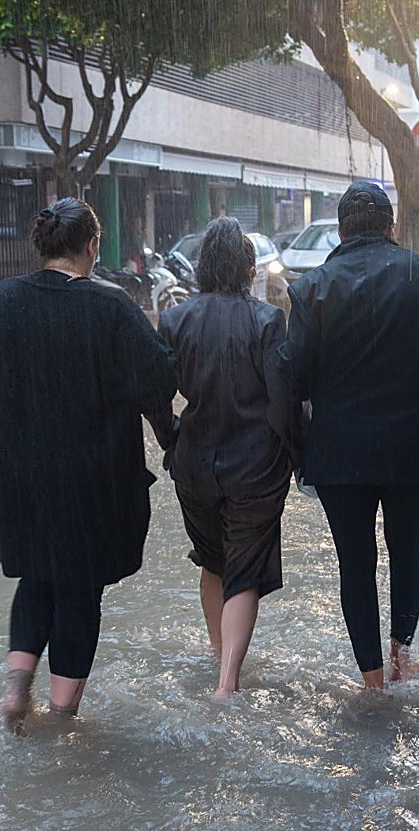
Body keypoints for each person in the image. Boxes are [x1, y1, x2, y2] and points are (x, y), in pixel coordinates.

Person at [0, 198, 176, 727]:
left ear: (42, 246)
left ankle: (15, 688)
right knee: (78, 590)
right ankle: (62, 713)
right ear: (92, 247)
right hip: (89, 484)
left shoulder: (0, 302)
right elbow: (161, 380)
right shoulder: (111, 307)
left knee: (35, 578)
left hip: (17, 482)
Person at [279, 181, 419, 689]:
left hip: (340, 451)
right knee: (408, 545)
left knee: (355, 561)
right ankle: (402, 658)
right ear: (390, 227)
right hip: (413, 445)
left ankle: (370, 681)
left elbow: (293, 379)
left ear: (340, 232)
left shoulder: (311, 288)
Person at [150, 217, 302, 702]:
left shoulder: (175, 320)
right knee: (244, 568)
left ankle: (220, 656)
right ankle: (228, 680)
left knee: (212, 560)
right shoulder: (265, 320)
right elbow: (282, 401)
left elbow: (155, 394)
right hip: (254, 464)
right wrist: (297, 458)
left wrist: (170, 441)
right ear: (246, 267)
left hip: (194, 462)